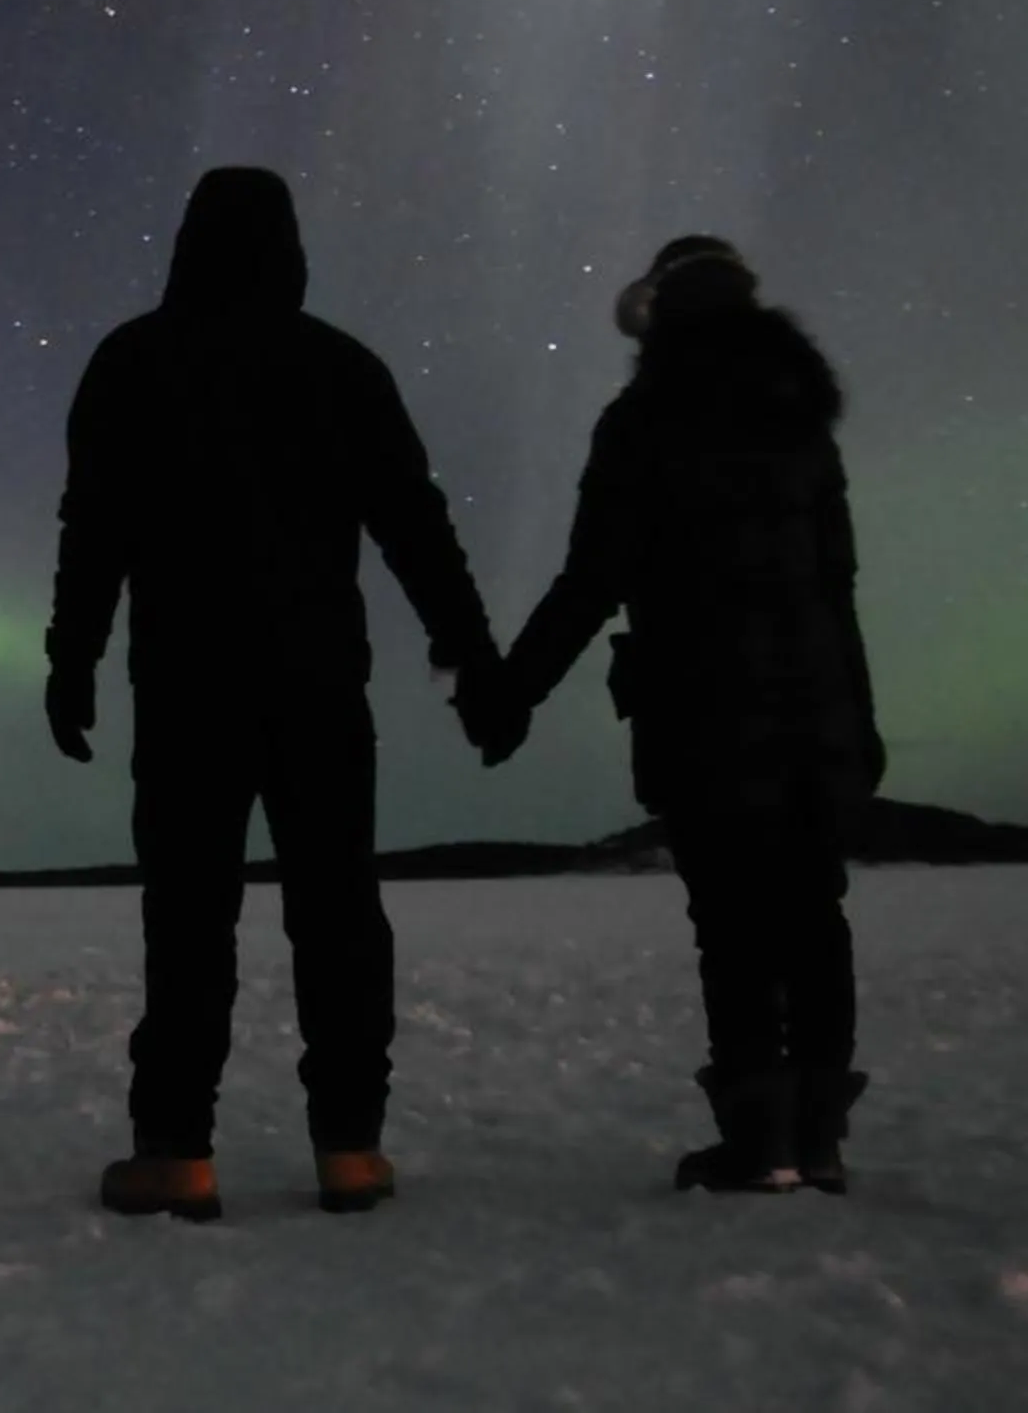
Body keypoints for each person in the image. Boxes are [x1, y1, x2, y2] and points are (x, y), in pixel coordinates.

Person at [44, 166, 498, 1221]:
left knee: (189, 916)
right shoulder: (340, 366)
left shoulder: (133, 360)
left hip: (186, 685)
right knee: (338, 909)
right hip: (319, 683)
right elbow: (414, 527)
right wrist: (468, 651)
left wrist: (73, 657)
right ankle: (350, 1146)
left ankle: (175, 1150)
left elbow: (93, 529)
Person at [457, 236, 882, 1194]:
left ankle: (759, 1138)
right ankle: (816, 1139)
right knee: (815, 916)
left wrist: (508, 694)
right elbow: (837, 586)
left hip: (703, 714)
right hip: (817, 718)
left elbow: (590, 580)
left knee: (732, 924)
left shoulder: (644, 422)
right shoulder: (805, 426)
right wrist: (859, 719)